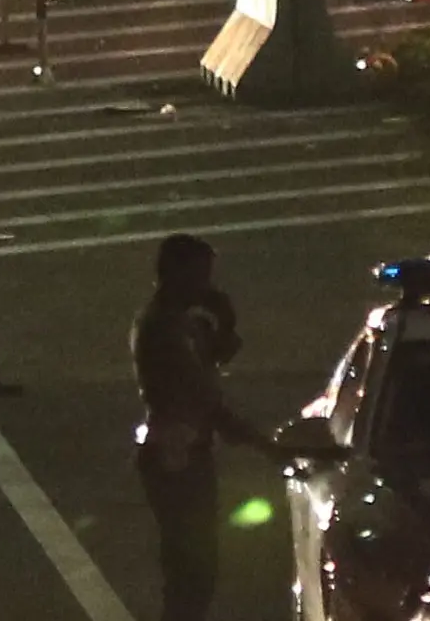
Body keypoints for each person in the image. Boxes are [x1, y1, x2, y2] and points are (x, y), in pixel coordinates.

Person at [133, 233, 264, 621]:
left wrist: (225, 321)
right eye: (200, 275)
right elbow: (200, 393)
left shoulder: (180, 323)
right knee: (191, 568)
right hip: (176, 457)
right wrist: (259, 440)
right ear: (174, 273)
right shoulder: (161, 327)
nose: (206, 285)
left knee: (194, 567)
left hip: (186, 450)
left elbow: (216, 357)